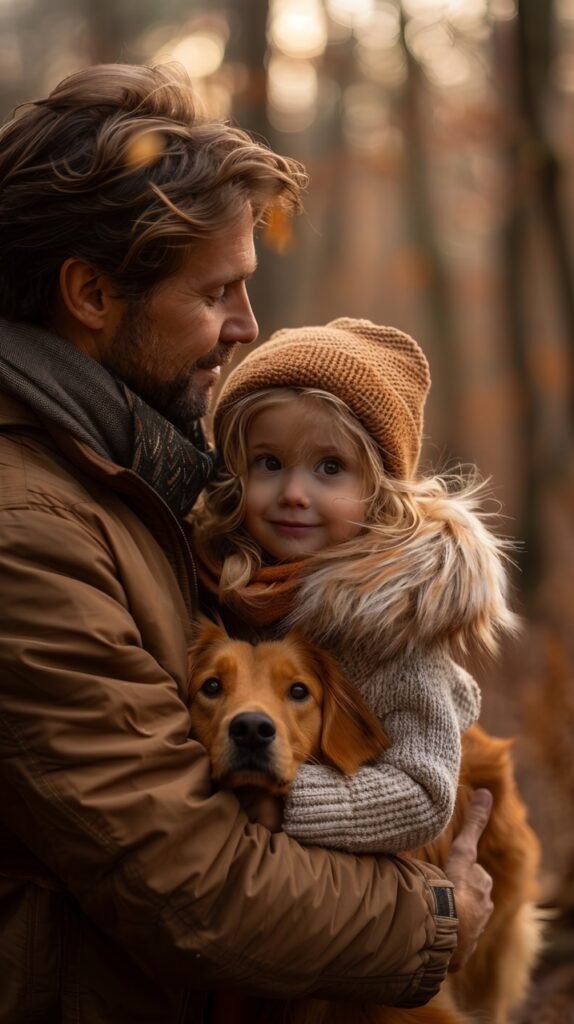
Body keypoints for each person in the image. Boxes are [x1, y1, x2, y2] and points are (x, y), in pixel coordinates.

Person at [0, 63, 493, 1024]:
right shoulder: (29, 532)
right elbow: (192, 879)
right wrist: (439, 915)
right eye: (218, 290)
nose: (247, 327)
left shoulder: (129, 473)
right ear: (92, 294)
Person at [194, 319, 516, 853]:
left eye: (329, 467)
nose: (294, 492)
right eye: (269, 463)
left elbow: (423, 794)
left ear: (378, 495)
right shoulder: (222, 586)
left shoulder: (394, 635)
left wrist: (286, 799)